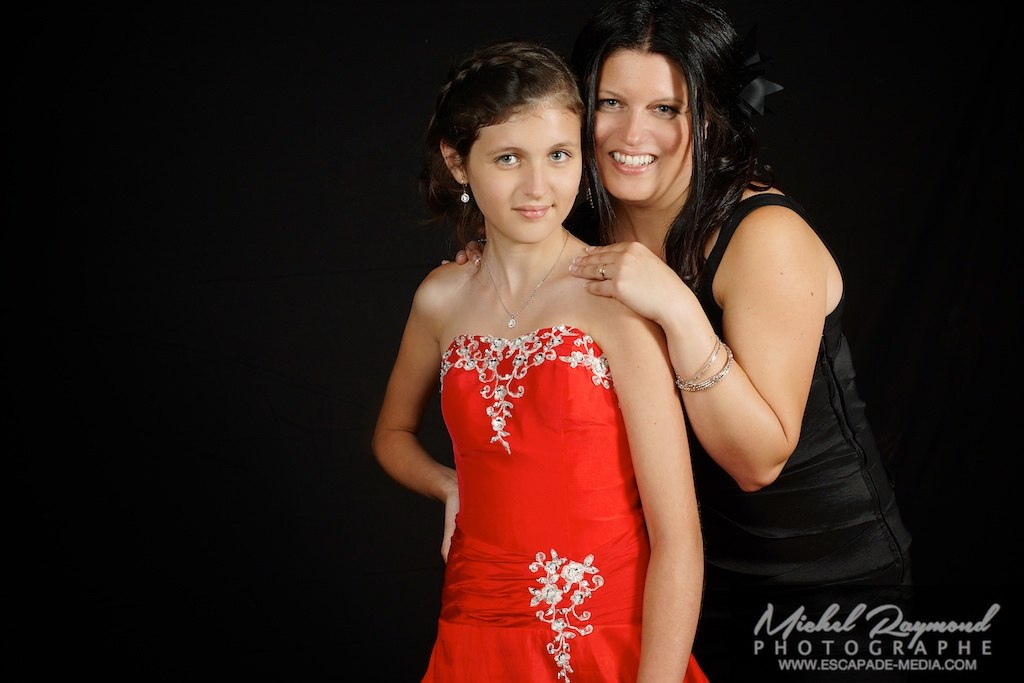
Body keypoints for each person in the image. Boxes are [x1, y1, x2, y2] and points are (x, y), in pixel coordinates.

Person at [455, 2, 913, 679]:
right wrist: (485, 269)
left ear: (709, 117)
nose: (631, 132)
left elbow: (758, 459)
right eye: (610, 101)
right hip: (679, 585)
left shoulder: (764, 237)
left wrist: (678, 307)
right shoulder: (577, 216)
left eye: (666, 108)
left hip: (825, 588)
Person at [372, 39, 708, 682]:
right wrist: (450, 485)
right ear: (458, 162)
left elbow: (679, 539)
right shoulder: (440, 298)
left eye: (559, 155)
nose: (538, 186)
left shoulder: (615, 300)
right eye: (507, 159)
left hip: (603, 633)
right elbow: (390, 435)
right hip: (476, 622)